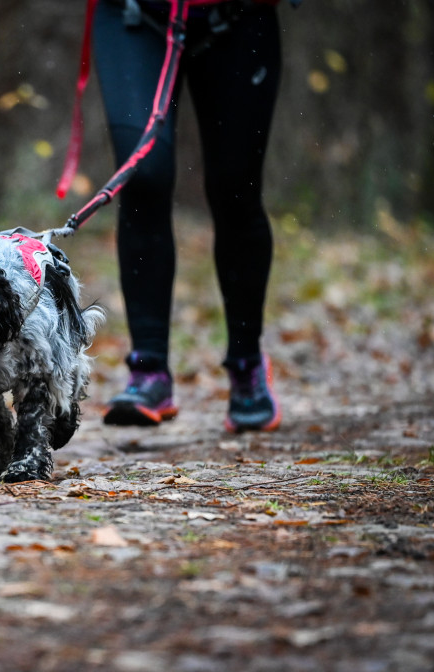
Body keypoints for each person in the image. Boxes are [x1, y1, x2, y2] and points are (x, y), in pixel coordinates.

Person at [93, 0, 290, 432]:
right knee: (142, 175)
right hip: (133, 14)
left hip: (239, 16)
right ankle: (149, 370)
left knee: (235, 189)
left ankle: (246, 363)